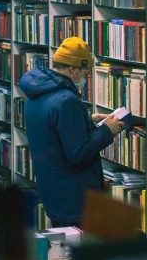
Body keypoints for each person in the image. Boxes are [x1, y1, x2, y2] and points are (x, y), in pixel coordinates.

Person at [19, 37, 125, 228]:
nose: (85, 78)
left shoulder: (37, 93)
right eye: (85, 72)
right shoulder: (66, 100)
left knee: (63, 252)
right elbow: (78, 152)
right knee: (81, 252)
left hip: (54, 191)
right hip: (75, 198)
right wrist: (108, 131)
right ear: (73, 69)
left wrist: (85, 120)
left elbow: (53, 129)